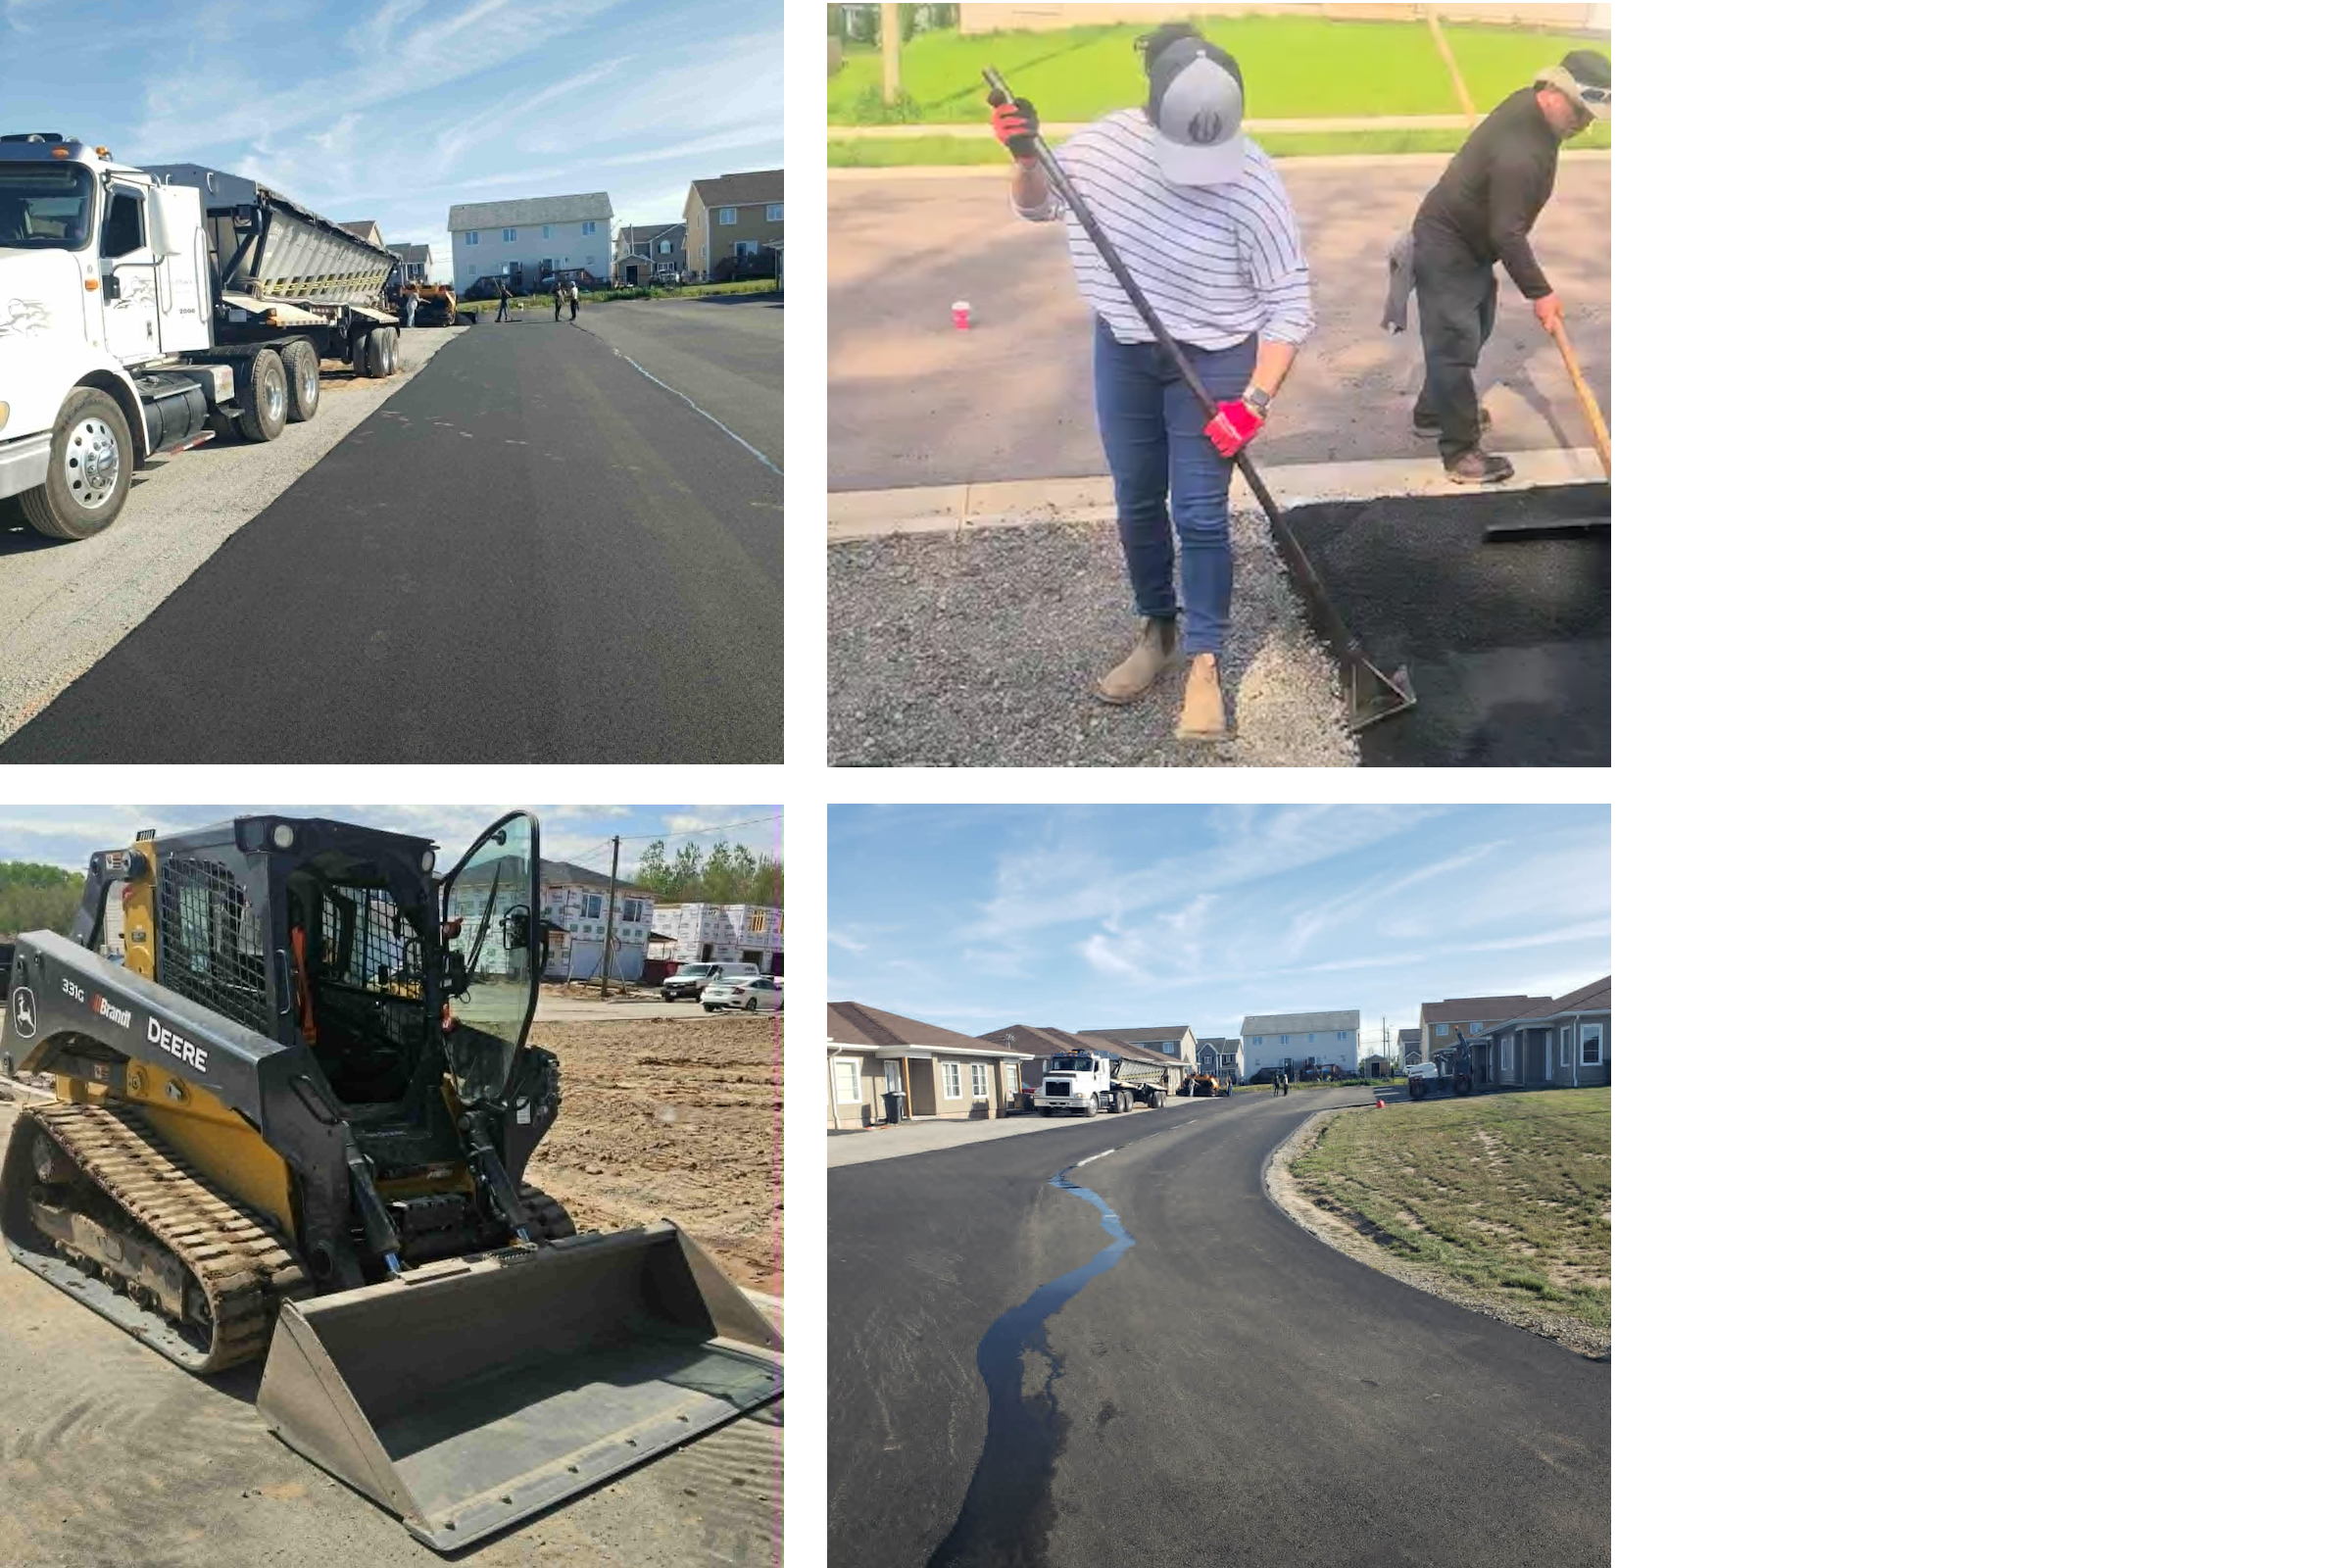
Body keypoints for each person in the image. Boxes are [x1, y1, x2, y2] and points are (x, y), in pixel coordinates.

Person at [993, 22, 1314, 744]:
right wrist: (1023, 158)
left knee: (1198, 514)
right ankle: (1158, 632)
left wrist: (1255, 400)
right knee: (1136, 498)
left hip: (1217, 359)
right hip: (1126, 349)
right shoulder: (1103, 150)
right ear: (1151, 115)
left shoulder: (1254, 181)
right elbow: (1036, 207)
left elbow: (1290, 306)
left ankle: (1205, 663)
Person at [1408, 50, 1608, 483]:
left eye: (1591, 116)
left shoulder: (1535, 113)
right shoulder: (1523, 150)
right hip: (1449, 243)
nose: (1584, 123)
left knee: (1475, 327)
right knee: (1456, 342)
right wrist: (1540, 291)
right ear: (1553, 92)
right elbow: (1508, 232)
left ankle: (1433, 411)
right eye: (1580, 110)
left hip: (1472, 242)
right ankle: (1461, 453)